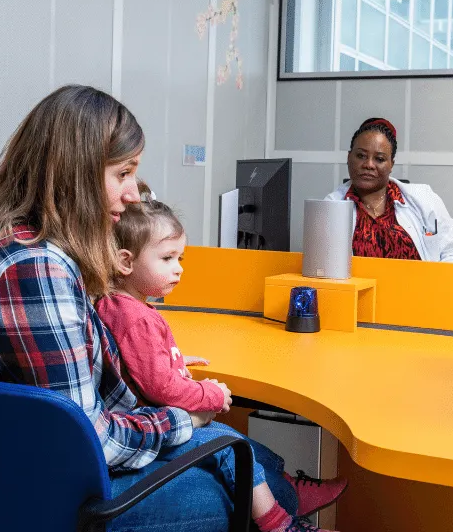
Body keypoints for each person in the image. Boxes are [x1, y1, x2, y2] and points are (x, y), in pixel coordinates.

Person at [0, 85, 298, 531]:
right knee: (249, 486)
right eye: (123, 174)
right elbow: (91, 442)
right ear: (74, 175)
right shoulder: (36, 269)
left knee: (256, 462)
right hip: (16, 492)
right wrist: (181, 419)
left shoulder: (10, 243)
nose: (134, 194)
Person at [96, 198, 347, 532]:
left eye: (180, 258)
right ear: (126, 262)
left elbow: (132, 359)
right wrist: (208, 393)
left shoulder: (118, 304)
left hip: (142, 417)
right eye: (167, 258)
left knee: (251, 447)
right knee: (232, 447)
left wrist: (173, 358)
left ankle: (288, 487)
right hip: (152, 422)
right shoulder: (135, 316)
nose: (179, 268)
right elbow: (159, 387)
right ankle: (280, 524)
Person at [325, 117, 453, 263]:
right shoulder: (330, 207)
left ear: (391, 165)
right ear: (349, 157)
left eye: (379, 159)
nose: (369, 164)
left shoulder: (424, 198)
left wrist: (434, 283)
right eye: (361, 156)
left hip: (421, 286)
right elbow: (322, 265)